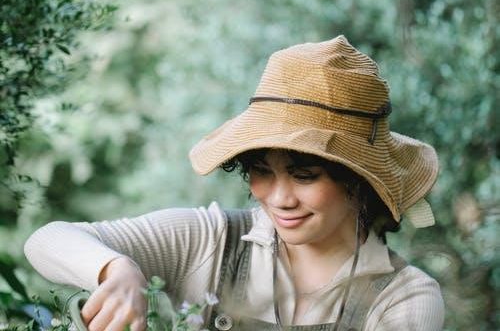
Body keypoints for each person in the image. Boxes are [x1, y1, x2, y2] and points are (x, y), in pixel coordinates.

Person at [25, 36, 445, 331]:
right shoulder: (210, 240)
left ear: (358, 179)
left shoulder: (403, 298)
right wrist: (118, 270)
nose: (279, 198)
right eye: (263, 170)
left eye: (304, 176)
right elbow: (47, 240)